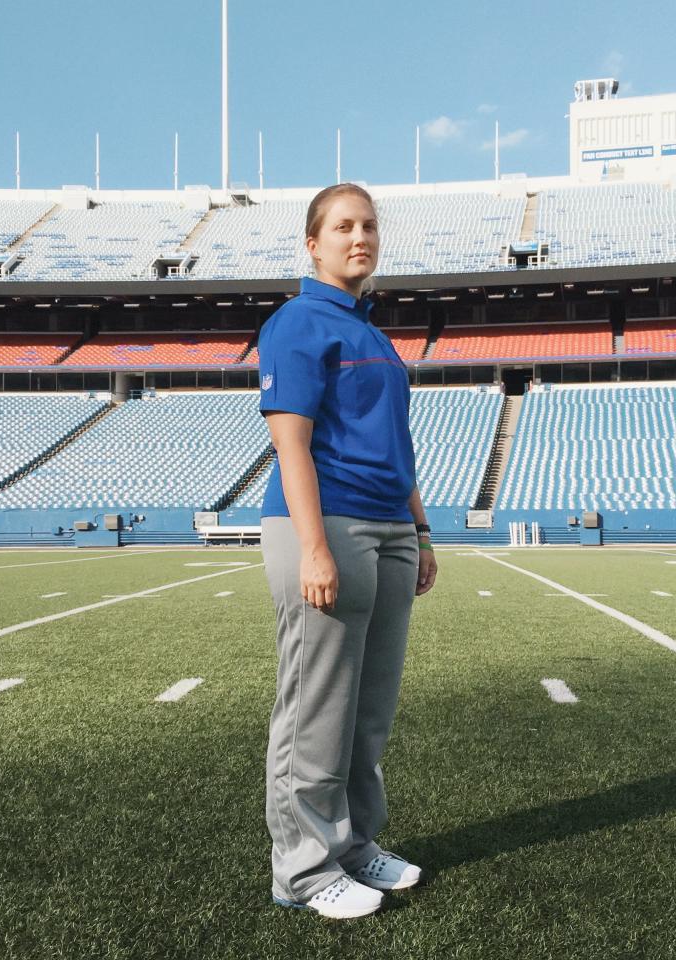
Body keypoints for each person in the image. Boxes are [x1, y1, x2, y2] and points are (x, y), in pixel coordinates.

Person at [257, 183, 438, 920]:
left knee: (368, 710)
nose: (358, 237)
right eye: (342, 227)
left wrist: (420, 531)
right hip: (329, 523)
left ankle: (355, 843)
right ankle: (301, 870)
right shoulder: (298, 322)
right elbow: (289, 440)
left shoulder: (376, 334)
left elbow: (399, 446)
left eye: (367, 226)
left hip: (390, 528)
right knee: (316, 711)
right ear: (313, 242)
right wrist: (314, 548)